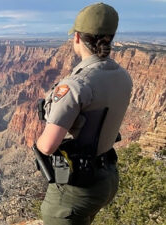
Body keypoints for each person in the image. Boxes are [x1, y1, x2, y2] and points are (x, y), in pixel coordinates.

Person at [35, 2, 133, 225]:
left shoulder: (76, 86)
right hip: (107, 178)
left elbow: (47, 146)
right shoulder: (123, 76)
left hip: (78, 189)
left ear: (77, 37)